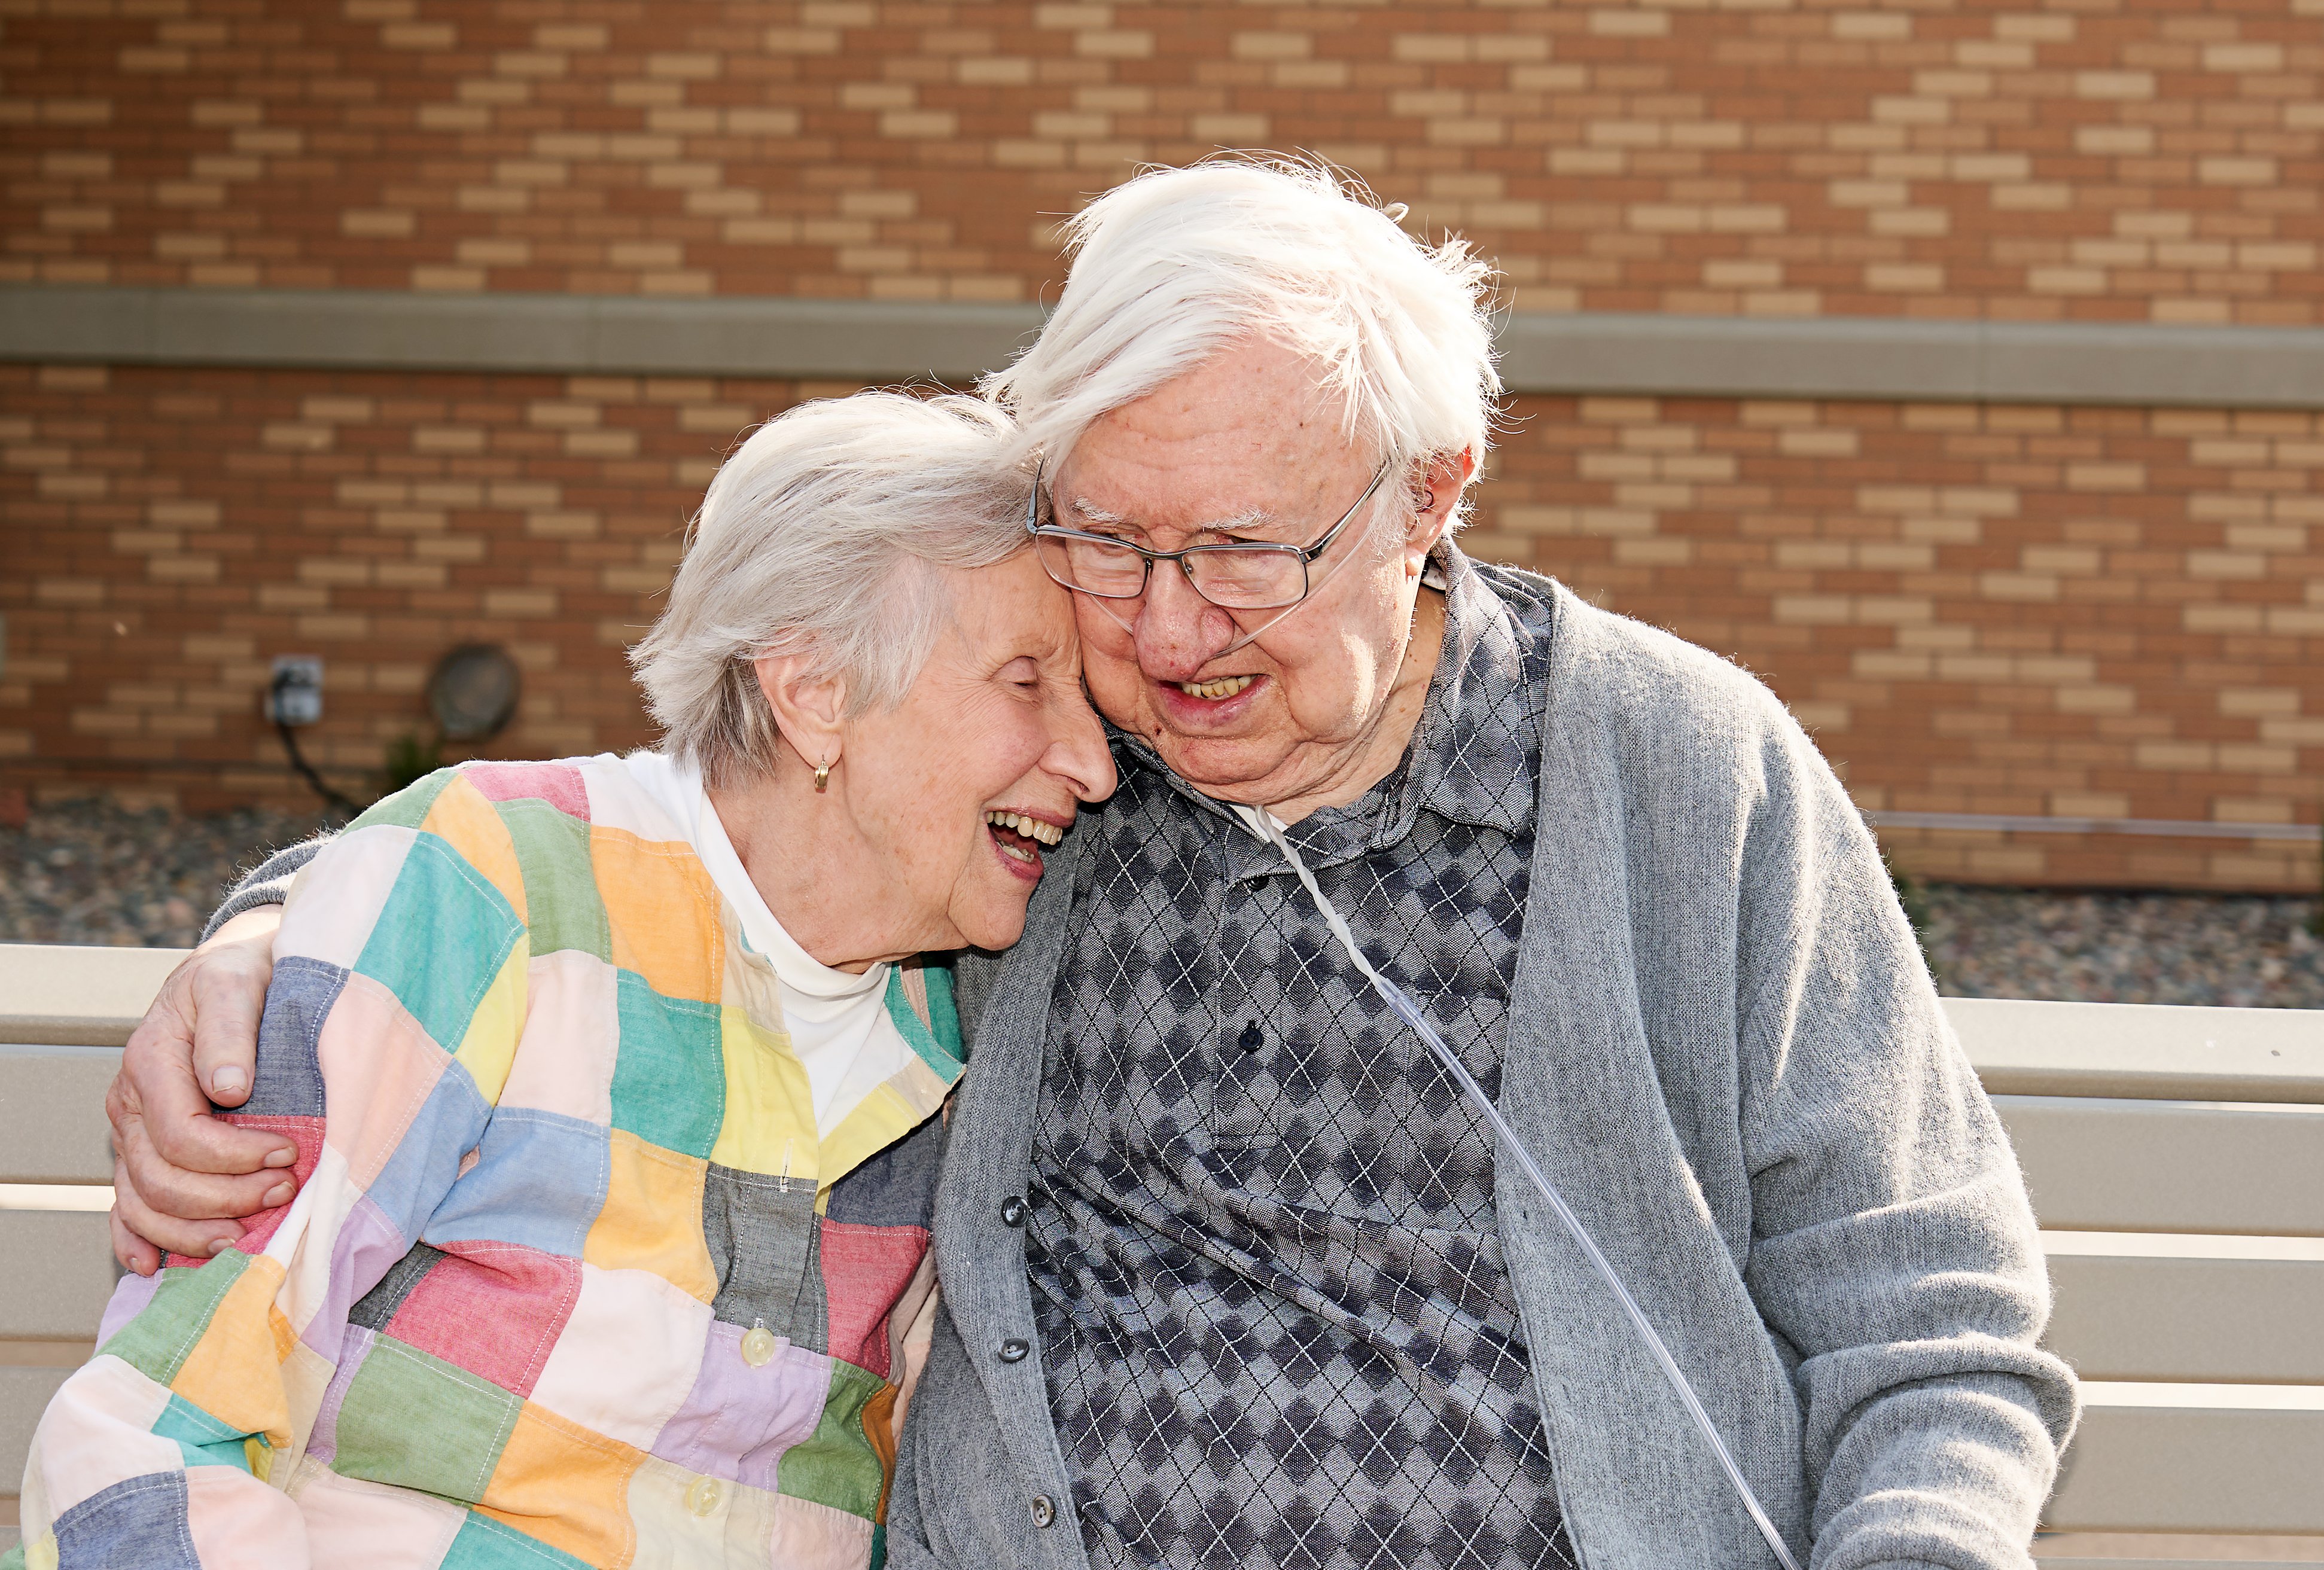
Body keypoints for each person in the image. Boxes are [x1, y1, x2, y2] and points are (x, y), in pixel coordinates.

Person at [109, 159, 2076, 1570]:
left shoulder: (1675, 768)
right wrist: (268, 937)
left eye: (1240, 549)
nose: (1158, 630)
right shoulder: (1047, 776)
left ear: (1429, 490)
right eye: (1100, 542)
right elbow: (693, 822)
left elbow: (1927, 1320)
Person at [14, 391, 1113, 1570]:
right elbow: (153, 1437)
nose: (1093, 764)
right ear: (815, 690)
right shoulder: (494, 894)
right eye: (1023, 681)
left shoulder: (975, 1015)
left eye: (1090, 700)